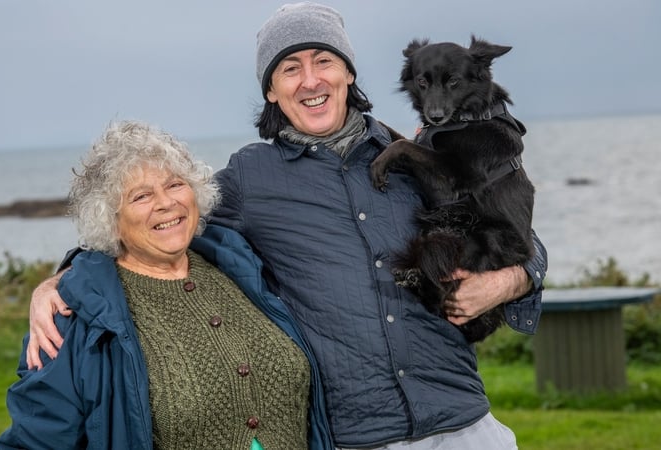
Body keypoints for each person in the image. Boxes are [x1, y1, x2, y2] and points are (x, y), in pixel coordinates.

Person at [28, 3, 548, 449]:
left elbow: (513, 231)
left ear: (348, 74)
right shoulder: (250, 179)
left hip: (467, 426)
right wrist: (65, 276)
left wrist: (511, 280)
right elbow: (160, 224)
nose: (310, 80)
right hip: (352, 437)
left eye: (324, 61)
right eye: (289, 69)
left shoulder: (416, 155)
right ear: (272, 93)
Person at [0, 120, 333, 449]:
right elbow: (37, 439)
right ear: (110, 221)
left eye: (174, 185)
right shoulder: (72, 319)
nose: (165, 203)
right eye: (141, 196)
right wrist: (52, 285)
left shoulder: (241, 265)